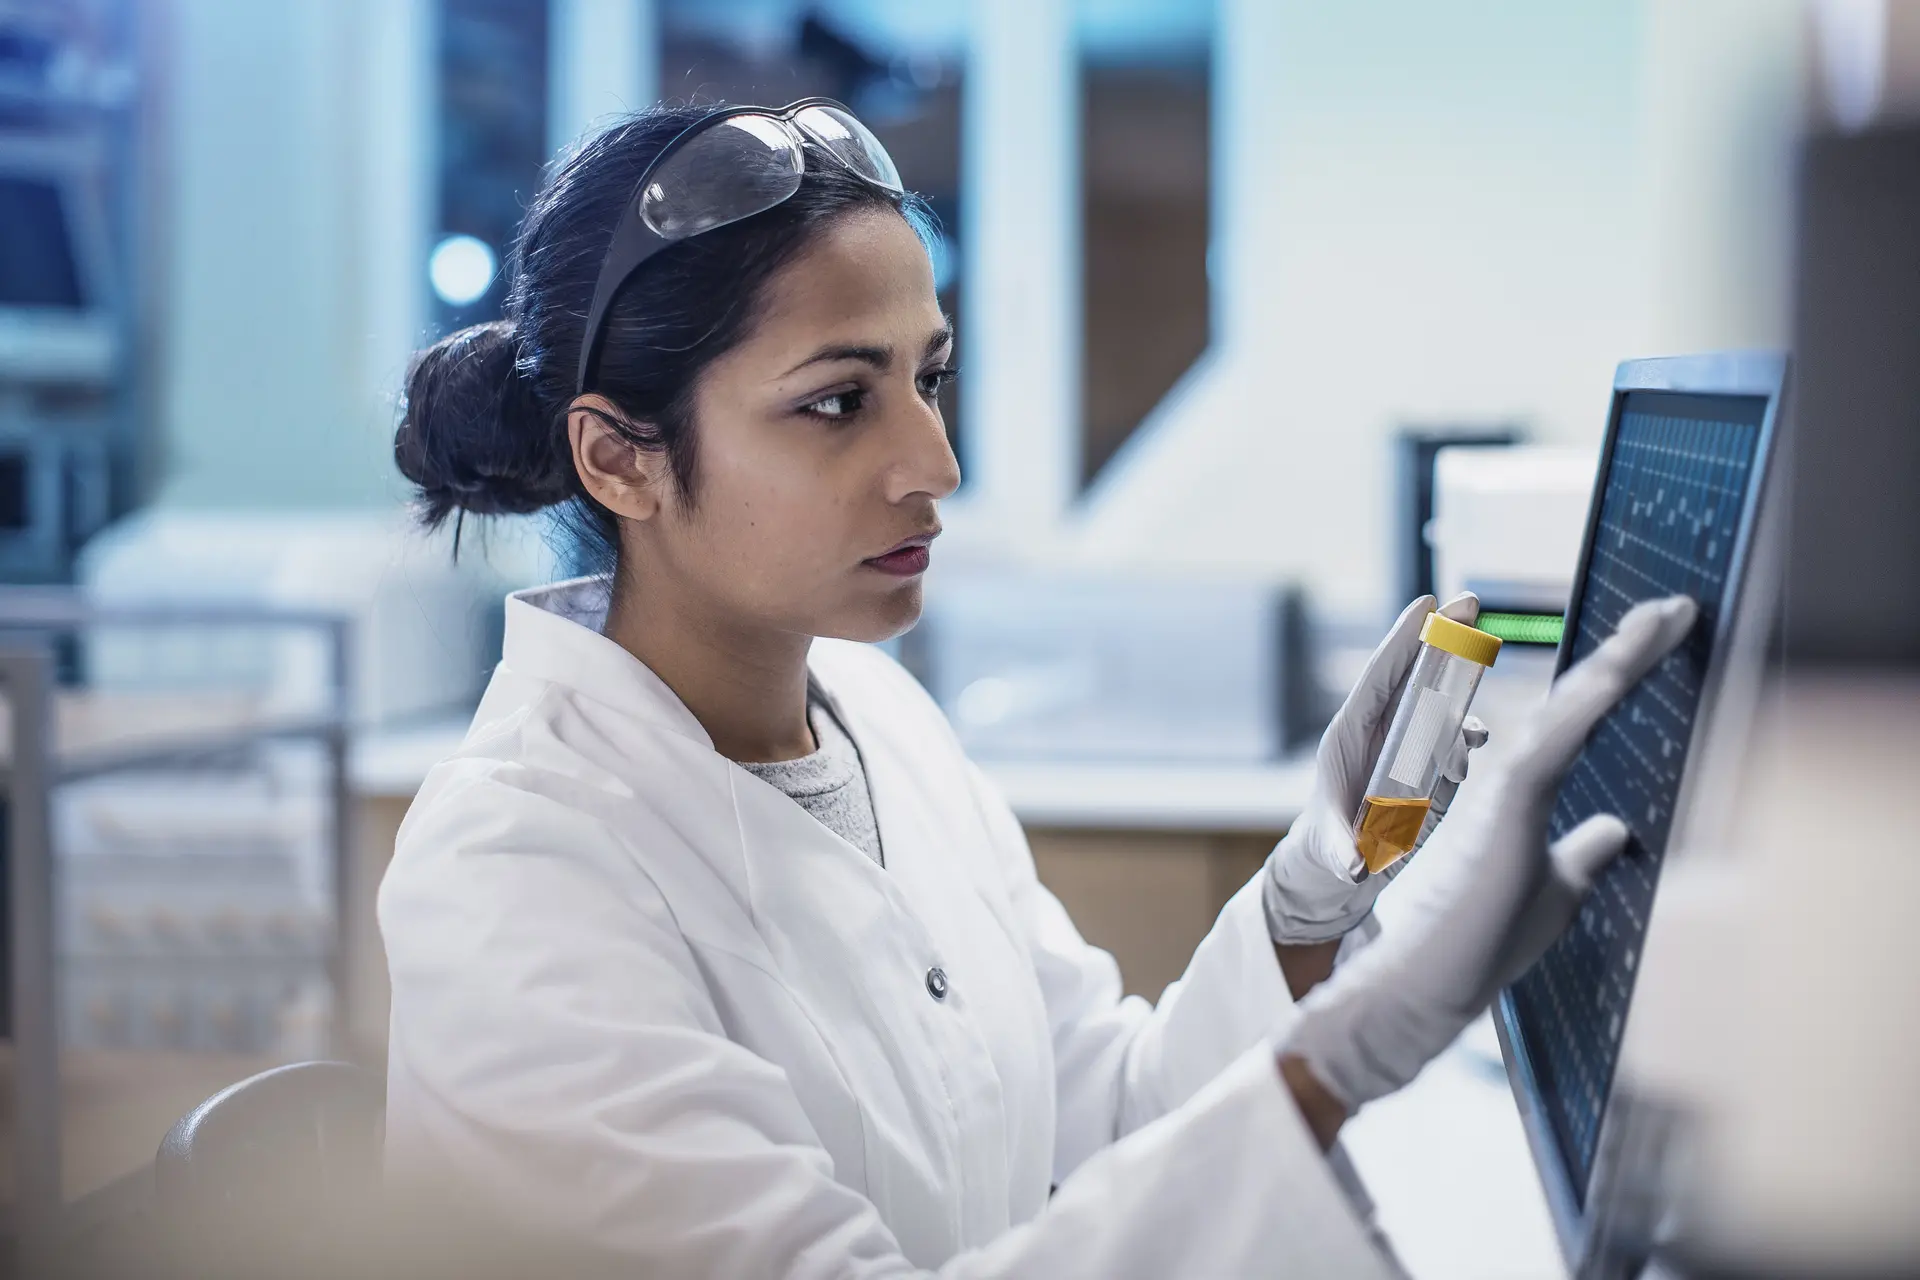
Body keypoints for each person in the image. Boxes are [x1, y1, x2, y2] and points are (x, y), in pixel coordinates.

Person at [380, 99, 1697, 1277]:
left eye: (930, 376)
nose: (935, 462)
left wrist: (1318, 889)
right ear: (619, 460)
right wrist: (1346, 1059)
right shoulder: (517, 868)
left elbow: (1115, 1120)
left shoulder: (882, 720)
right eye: (840, 403)